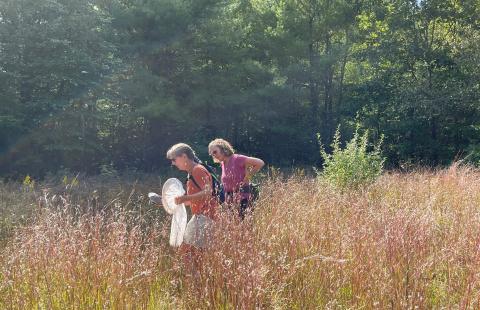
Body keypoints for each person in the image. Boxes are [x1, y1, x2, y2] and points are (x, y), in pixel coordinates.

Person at [166, 143, 219, 252]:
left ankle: (198, 270)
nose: (173, 163)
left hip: (206, 217)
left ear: (184, 156)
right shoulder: (191, 173)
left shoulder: (197, 170)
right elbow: (195, 199)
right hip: (200, 217)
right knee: (192, 253)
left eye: (174, 159)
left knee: (189, 252)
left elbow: (208, 192)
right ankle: (199, 269)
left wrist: (185, 198)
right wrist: (174, 202)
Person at [208, 138, 265, 219]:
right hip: (230, 202)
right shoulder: (223, 163)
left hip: (243, 199)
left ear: (223, 148)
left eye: (215, 152)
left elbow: (260, 163)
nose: (214, 155)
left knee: (244, 227)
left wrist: (247, 177)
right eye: (211, 154)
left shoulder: (237, 158)